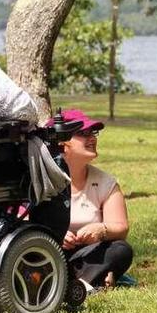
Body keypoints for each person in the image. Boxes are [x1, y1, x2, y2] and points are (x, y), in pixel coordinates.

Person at [53, 109, 133, 292]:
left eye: (93, 133)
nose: (92, 139)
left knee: (121, 250)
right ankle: (93, 280)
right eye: (83, 134)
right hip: (48, 251)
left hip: (86, 254)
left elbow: (121, 227)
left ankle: (73, 284)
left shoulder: (106, 182)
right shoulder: (40, 180)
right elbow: (21, 221)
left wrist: (102, 230)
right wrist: (54, 233)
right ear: (61, 142)